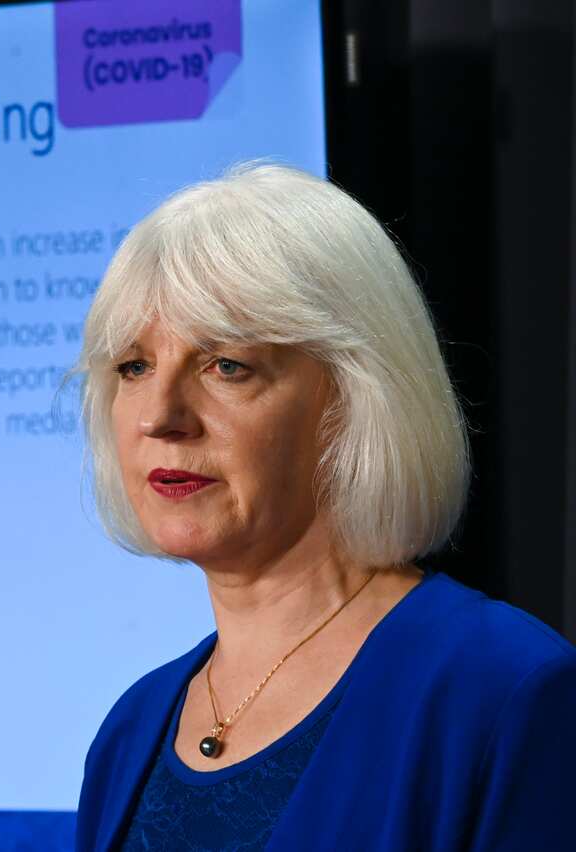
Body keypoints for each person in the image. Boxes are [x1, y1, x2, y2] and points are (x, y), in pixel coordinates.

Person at [71, 162, 576, 851]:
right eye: (134, 367)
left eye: (226, 366)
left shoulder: (503, 692)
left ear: (357, 397)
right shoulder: (131, 730)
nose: (159, 416)